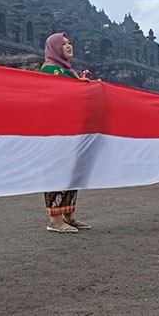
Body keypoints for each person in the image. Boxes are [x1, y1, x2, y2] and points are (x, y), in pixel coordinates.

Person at [40, 32, 95, 233]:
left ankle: (69, 215)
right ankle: (55, 219)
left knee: (72, 172)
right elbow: (56, 96)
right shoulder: (50, 70)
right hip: (56, 131)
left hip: (71, 130)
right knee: (56, 172)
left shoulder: (68, 71)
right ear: (54, 49)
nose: (69, 46)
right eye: (63, 44)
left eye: (69, 43)